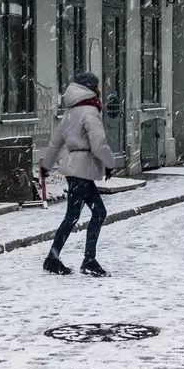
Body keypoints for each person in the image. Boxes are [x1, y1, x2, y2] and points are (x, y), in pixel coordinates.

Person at [39, 72, 115, 276]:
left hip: (75, 168)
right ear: (91, 88)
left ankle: (59, 258)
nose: (99, 89)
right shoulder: (90, 111)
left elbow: (55, 143)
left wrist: (46, 165)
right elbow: (99, 144)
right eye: (97, 86)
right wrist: (109, 163)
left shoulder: (70, 112)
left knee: (89, 213)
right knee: (81, 215)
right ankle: (81, 260)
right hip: (83, 169)